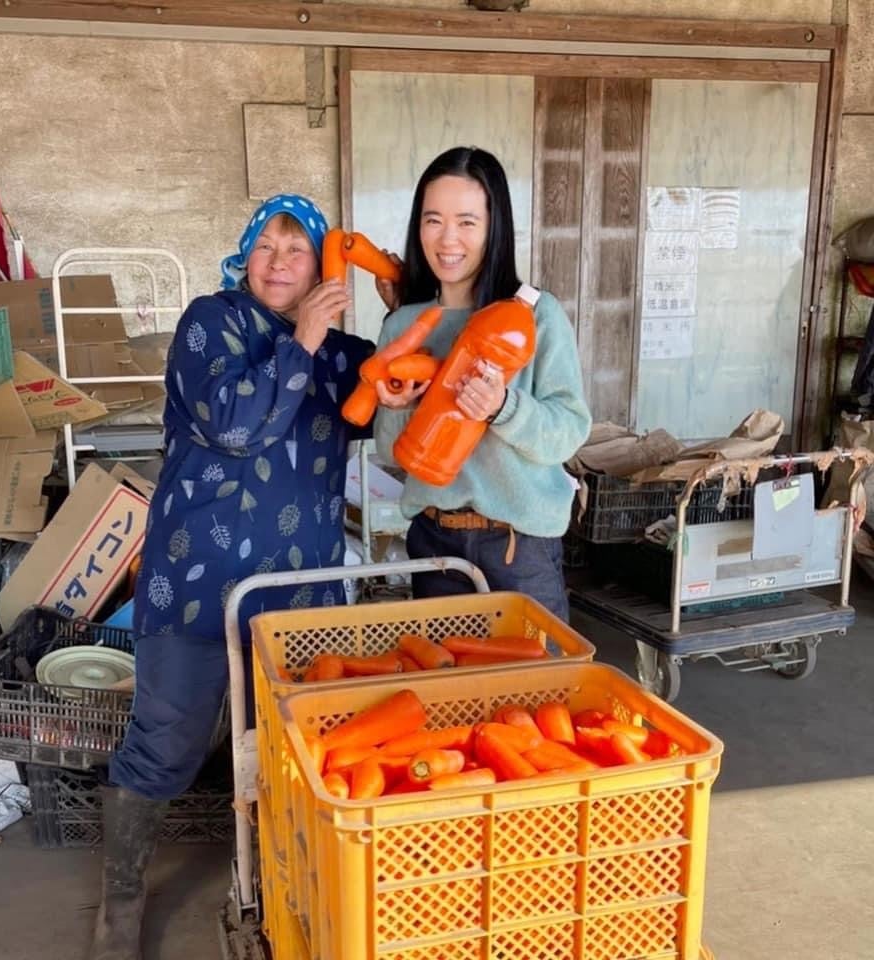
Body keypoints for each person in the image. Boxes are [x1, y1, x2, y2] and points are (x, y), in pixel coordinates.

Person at [91, 194, 373, 960]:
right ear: (245, 255)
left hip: (300, 590)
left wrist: (401, 373)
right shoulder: (208, 323)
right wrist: (303, 340)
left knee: (294, 747)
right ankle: (120, 905)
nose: (279, 262)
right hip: (196, 578)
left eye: (297, 249)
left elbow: (386, 406)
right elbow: (236, 424)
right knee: (168, 740)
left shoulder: (342, 351)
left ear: (322, 266)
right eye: (266, 246)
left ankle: (281, 889)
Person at [373, 146, 591, 621]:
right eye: (433, 220)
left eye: (467, 222)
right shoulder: (403, 326)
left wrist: (503, 407)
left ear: (495, 227)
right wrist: (396, 408)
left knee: (536, 671)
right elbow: (391, 454)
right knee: (441, 671)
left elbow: (569, 430)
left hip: (519, 548)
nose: (447, 238)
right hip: (435, 544)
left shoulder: (536, 317)